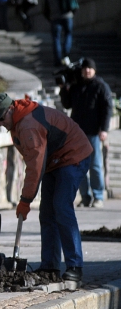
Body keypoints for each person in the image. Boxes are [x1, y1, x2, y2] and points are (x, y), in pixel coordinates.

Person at [0, 92, 92, 282]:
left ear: (10, 110)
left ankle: (75, 265)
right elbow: (34, 163)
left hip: (74, 154)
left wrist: (25, 201)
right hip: (54, 161)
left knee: (61, 206)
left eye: (0, 119)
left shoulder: (28, 126)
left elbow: (35, 167)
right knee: (47, 212)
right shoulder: (17, 123)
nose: (0, 124)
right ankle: (50, 267)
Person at [59, 58, 113, 208]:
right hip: (77, 133)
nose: (87, 70)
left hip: (94, 132)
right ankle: (85, 197)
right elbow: (67, 103)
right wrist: (64, 89)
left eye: (89, 68)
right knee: (78, 165)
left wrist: (104, 129)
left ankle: (98, 196)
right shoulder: (77, 86)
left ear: (94, 70)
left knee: (95, 165)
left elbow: (107, 109)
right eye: (84, 68)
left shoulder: (101, 86)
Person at [43, 0, 75, 68]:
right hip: (67, 16)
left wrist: (50, 18)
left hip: (55, 18)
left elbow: (45, 9)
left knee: (56, 38)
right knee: (68, 34)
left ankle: (58, 60)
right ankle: (66, 52)